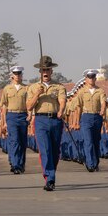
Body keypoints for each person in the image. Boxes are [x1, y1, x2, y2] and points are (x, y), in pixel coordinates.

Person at [26, 55, 66, 191]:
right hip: (41, 120)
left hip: (55, 120)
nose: (45, 73)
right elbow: (29, 106)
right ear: (39, 72)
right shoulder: (33, 87)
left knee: (55, 151)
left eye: (48, 70)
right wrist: (37, 94)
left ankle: (51, 172)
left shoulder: (59, 86)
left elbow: (62, 100)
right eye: (43, 70)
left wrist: (61, 110)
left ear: (51, 71)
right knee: (45, 150)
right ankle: (50, 178)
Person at [75, 69, 106, 172]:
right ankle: (90, 164)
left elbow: (103, 102)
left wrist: (102, 110)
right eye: (89, 77)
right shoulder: (81, 92)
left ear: (95, 78)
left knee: (96, 141)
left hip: (97, 117)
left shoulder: (100, 90)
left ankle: (96, 162)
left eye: (93, 77)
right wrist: (77, 121)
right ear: (86, 79)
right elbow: (78, 107)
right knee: (88, 141)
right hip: (86, 117)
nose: (91, 79)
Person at [0, 66, 29, 174]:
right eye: (15, 74)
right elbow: (4, 106)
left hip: (23, 115)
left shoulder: (26, 88)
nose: (17, 76)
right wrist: (3, 122)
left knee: (22, 141)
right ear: (12, 75)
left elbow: (29, 104)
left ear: (21, 75)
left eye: (19, 74)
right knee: (15, 140)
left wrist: (30, 115)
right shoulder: (7, 89)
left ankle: (21, 164)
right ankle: (15, 164)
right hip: (11, 115)